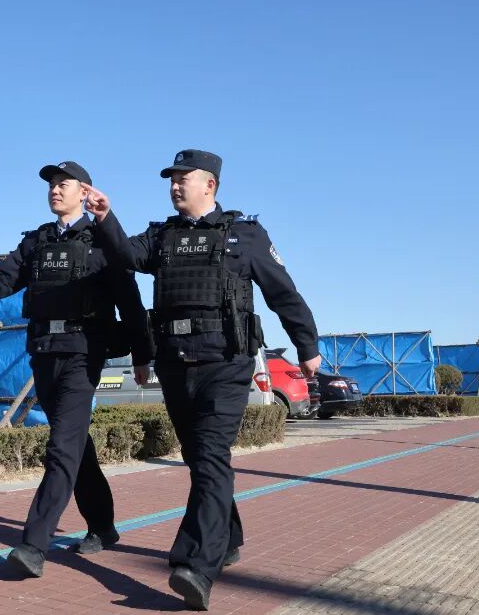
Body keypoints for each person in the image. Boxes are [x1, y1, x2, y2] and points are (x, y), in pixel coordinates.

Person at [85, 149, 320, 610]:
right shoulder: (162, 236)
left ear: (209, 185)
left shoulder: (244, 235)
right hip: (176, 365)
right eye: (171, 179)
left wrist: (306, 345)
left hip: (226, 364)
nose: (174, 185)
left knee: (211, 457)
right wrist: (106, 217)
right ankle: (228, 537)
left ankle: (198, 565)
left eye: (183, 178)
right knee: (199, 460)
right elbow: (125, 254)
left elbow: (283, 292)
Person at [0, 160, 153, 578]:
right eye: (51, 184)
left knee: (60, 448)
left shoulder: (103, 241)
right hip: (43, 351)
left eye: (63, 184)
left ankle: (33, 545)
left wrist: (143, 354)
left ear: (85, 192)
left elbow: (130, 303)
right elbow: (2, 280)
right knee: (74, 445)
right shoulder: (37, 241)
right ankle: (103, 526)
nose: (55, 190)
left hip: (82, 353)